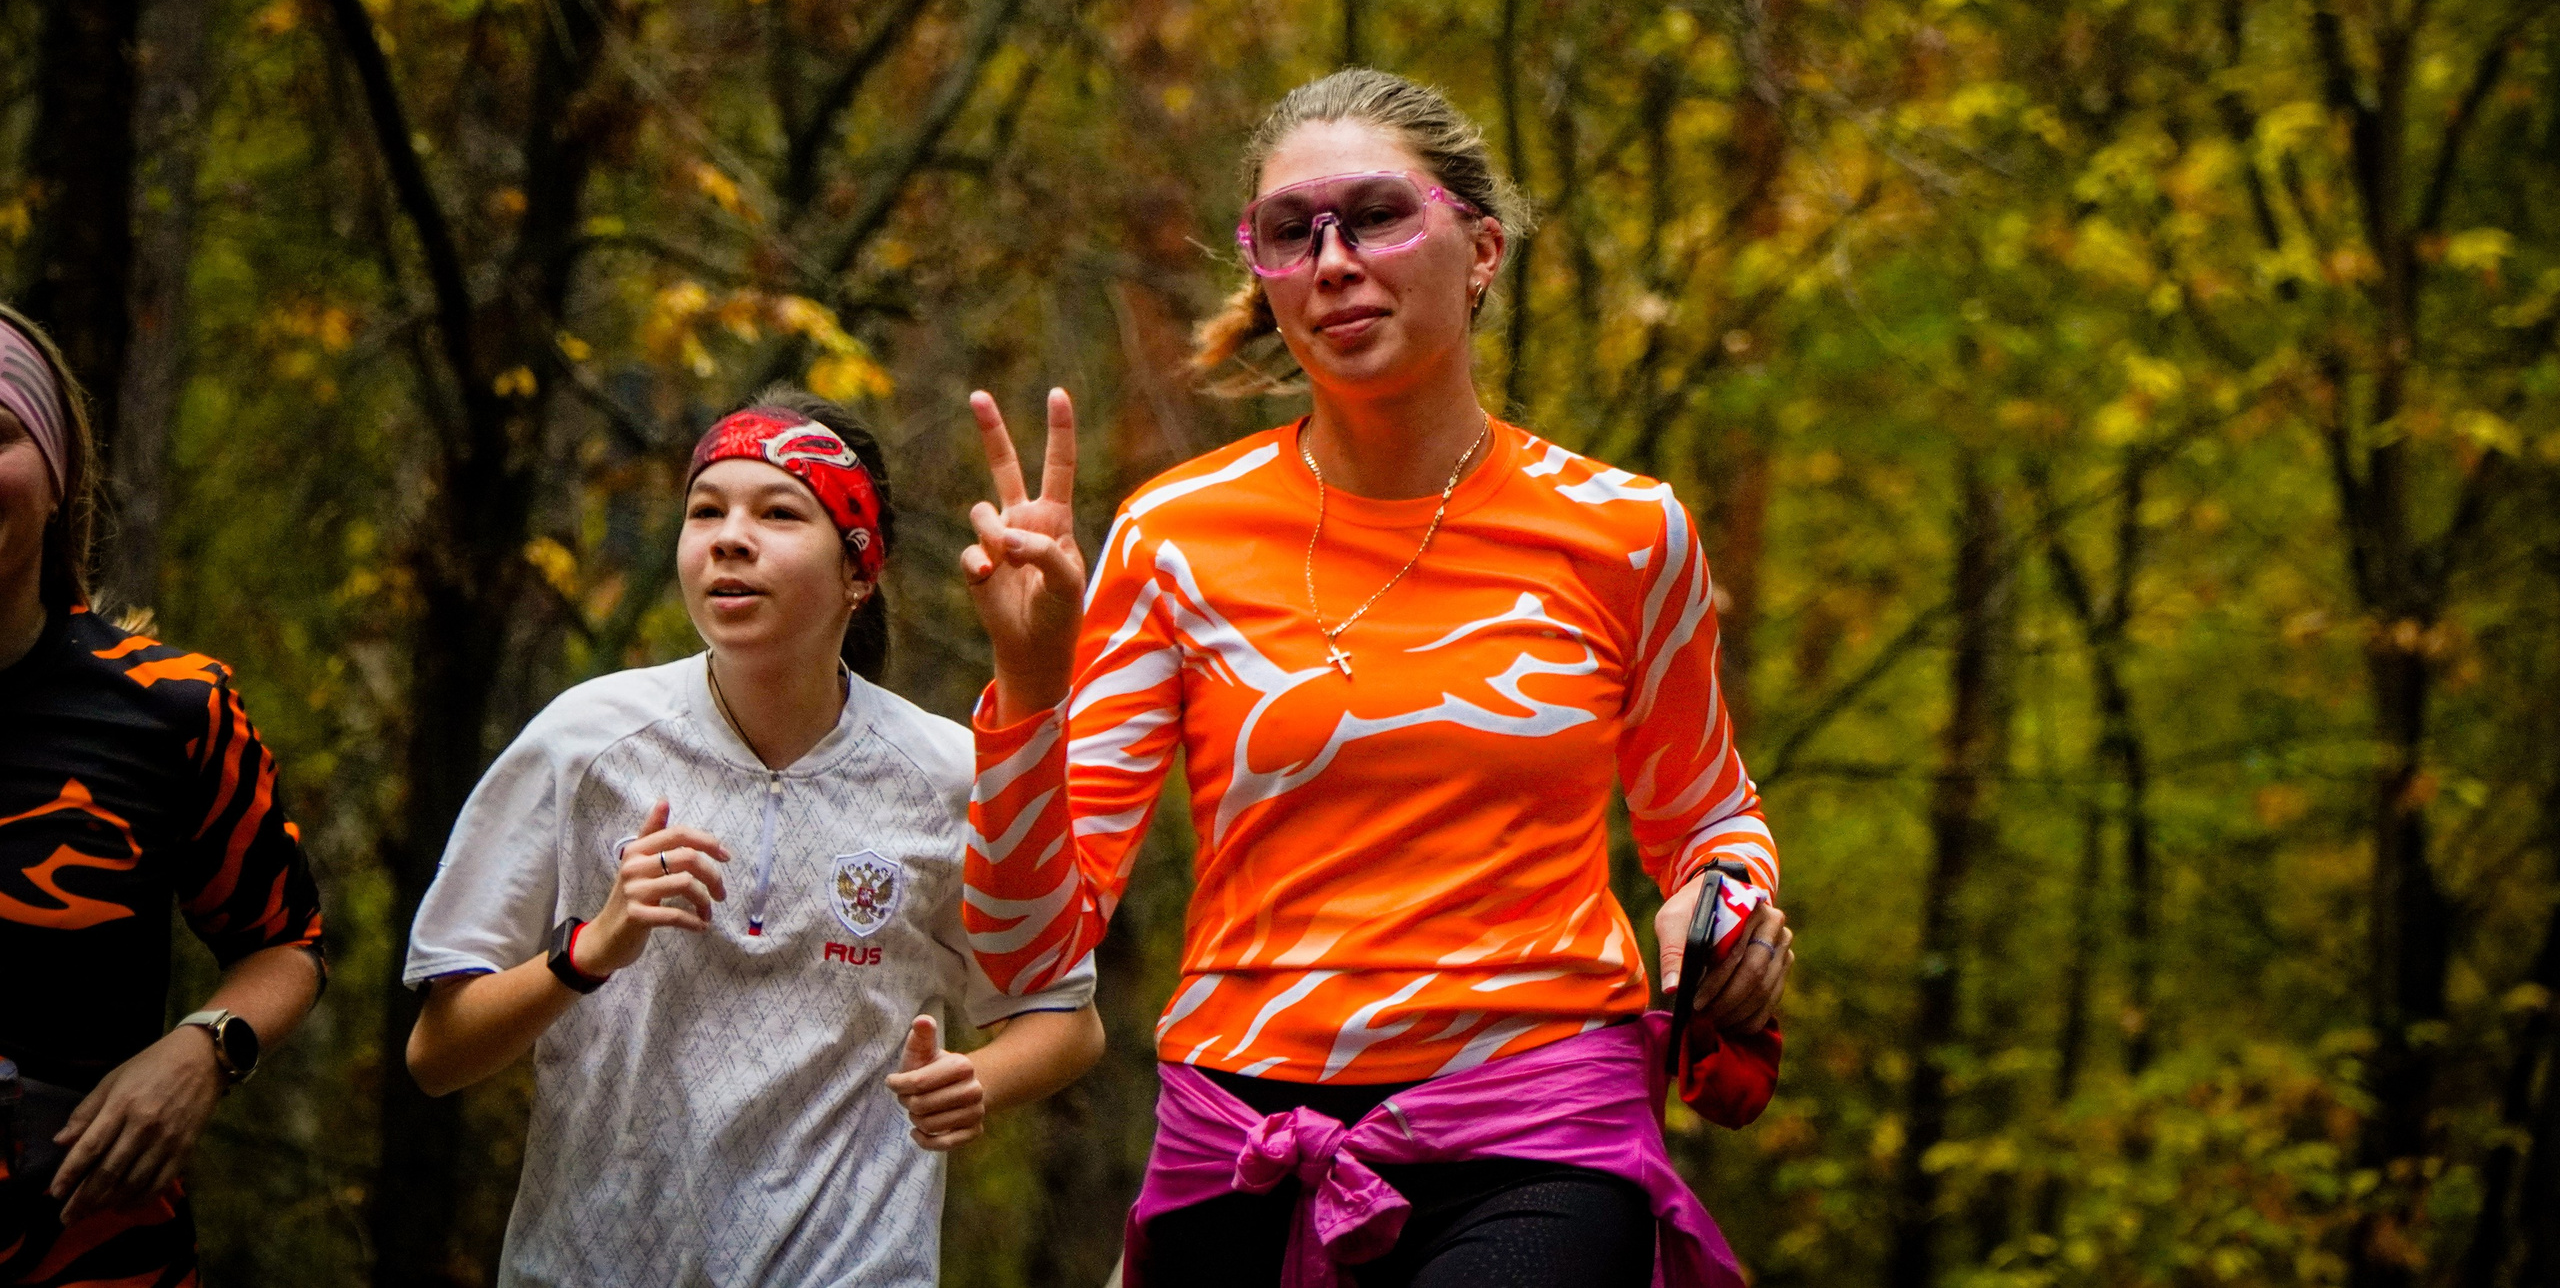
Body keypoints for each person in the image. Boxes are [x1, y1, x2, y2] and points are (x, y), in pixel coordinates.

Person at [960, 70, 1795, 1288]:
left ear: (1481, 249)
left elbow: (1708, 815)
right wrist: (1030, 687)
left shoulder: (1624, 530)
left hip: (1537, 1121)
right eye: (1294, 233)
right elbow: (1029, 946)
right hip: (1237, 1142)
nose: (1334, 259)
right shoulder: (1172, 535)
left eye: (1376, 216)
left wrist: (1725, 904)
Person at [402, 389, 1102, 1287]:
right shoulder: (584, 743)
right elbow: (436, 1053)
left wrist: (980, 1079)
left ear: (859, 570)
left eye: (778, 512)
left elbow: (1065, 1017)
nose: (730, 537)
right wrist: (589, 950)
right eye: (706, 511)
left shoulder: (947, 774)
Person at [0, 304, 327, 1287]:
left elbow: (287, 944)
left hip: (91, 1255)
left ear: (58, 475)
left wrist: (206, 1047)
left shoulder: (171, 707)